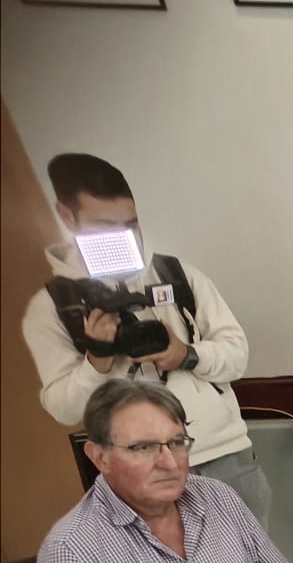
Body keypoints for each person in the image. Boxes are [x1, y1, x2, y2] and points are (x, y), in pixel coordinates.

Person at [22, 153, 270, 524]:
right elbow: (63, 408)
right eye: (104, 226)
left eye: (131, 224)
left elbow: (237, 356)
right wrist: (97, 362)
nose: (124, 237)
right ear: (66, 216)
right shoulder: (53, 307)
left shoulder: (177, 273)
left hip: (226, 458)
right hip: (141, 475)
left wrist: (186, 355)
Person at [34, 379, 293, 563]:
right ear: (100, 457)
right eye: (143, 447)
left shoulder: (218, 496)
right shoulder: (71, 548)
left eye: (177, 443)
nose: (169, 463)